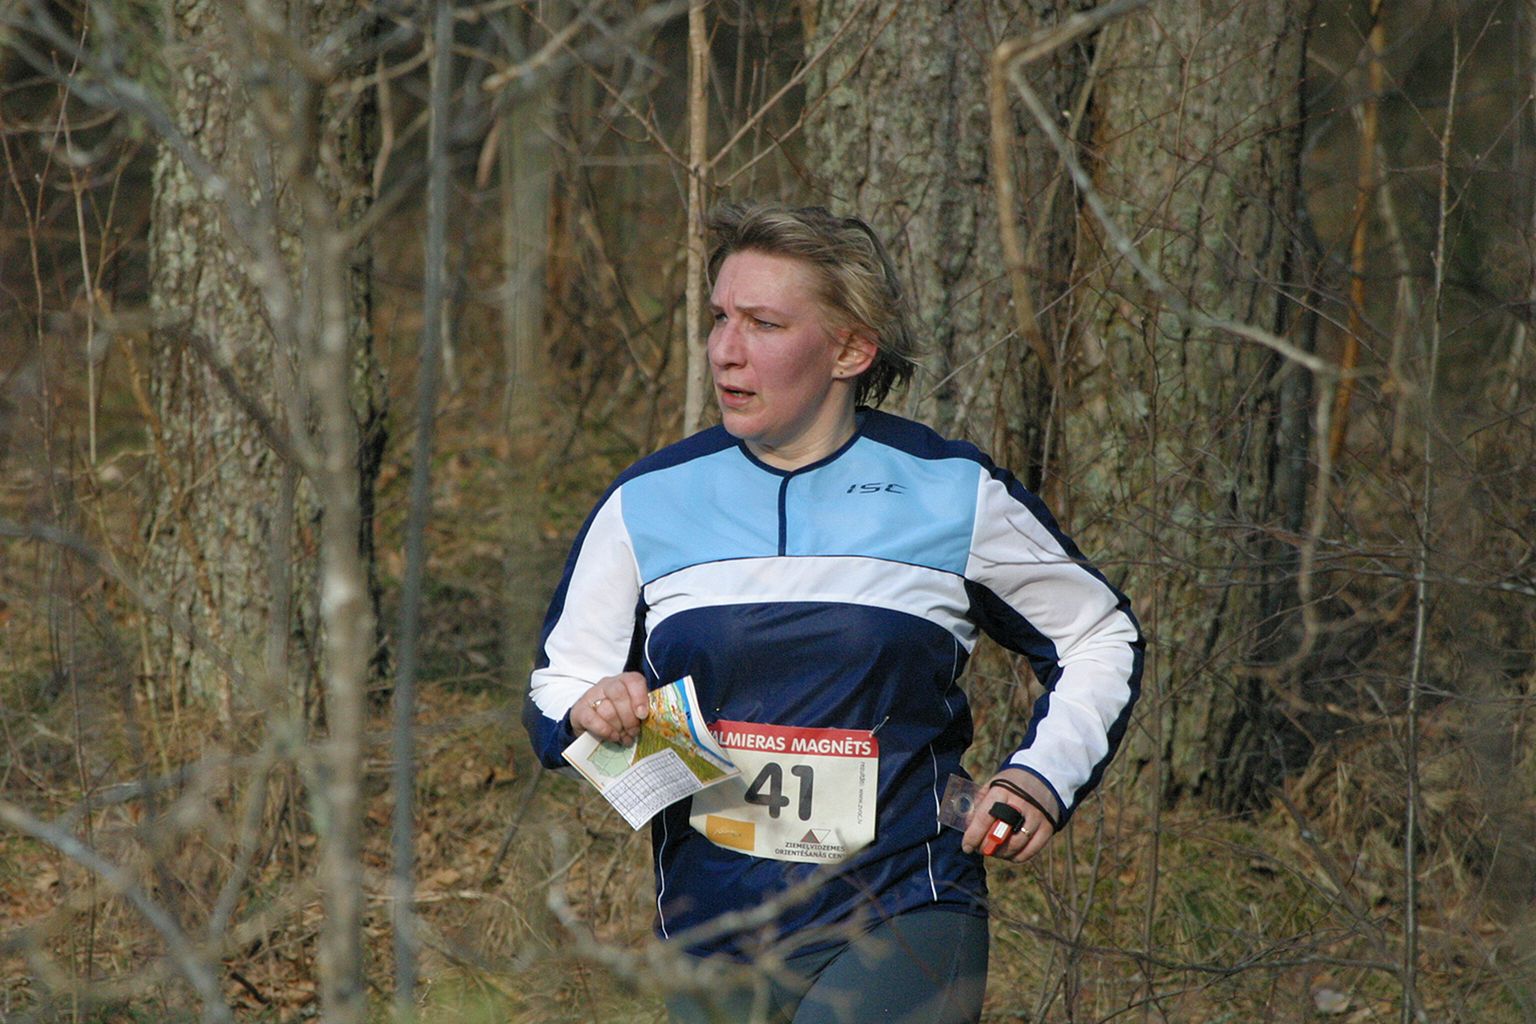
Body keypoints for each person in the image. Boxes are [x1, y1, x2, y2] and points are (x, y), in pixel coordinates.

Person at [524, 202, 1143, 1023]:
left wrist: (1039, 778)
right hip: (714, 926)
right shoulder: (648, 500)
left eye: (764, 324)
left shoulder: (951, 492)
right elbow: (559, 682)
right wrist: (591, 707)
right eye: (719, 318)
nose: (726, 349)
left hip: (904, 902)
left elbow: (1098, 634)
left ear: (850, 350)